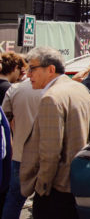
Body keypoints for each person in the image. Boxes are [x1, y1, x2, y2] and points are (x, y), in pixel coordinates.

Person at [20, 47, 90, 219]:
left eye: (32, 69)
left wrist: (42, 187)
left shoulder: (51, 98)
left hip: (56, 188)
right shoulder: (78, 88)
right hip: (77, 182)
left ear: (50, 69)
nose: (28, 75)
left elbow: (50, 153)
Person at [1, 59, 41, 219]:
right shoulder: (55, 89)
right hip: (48, 155)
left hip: (20, 153)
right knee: (44, 199)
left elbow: (6, 119)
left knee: (14, 199)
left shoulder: (16, 90)